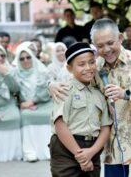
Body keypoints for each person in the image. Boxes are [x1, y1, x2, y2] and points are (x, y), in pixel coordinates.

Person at [49, 18, 131, 177]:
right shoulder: (95, 66)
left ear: (121, 38)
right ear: (93, 44)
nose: (107, 49)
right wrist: (51, 85)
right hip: (113, 144)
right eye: (100, 46)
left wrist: (125, 94)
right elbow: (70, 77)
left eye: (110, 43)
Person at [50, 42, 112, 177]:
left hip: (93, 148)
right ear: (69, 68)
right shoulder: (64, 90)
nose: (88, 68)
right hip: (66, 148)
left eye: (91, 62)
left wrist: (91, 152)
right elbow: (60, 125)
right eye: (81, 64)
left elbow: (105, 127)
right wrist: (81, 156)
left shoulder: (99, 94)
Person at [14, 43, 53, 162]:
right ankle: (30, 152)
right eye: (22, 58)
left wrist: (34, 101)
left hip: (44, 103)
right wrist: (21, 104)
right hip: (26, 105)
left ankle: (48, 151)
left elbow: (48, 90)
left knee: (50, 114)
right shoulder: (15, 73)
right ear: (18, 60)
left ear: (32, 57)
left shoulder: (42, 70)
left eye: (28, 57)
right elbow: (13, 92)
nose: (25, 60)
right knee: (26, 115)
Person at [0, 44, 22, 162]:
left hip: (8, 105)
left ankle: (11, 153)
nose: (0, 58)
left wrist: (6, 74)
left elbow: (15, 90)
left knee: (15, 117)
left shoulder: (11, 70)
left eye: (3, 55)